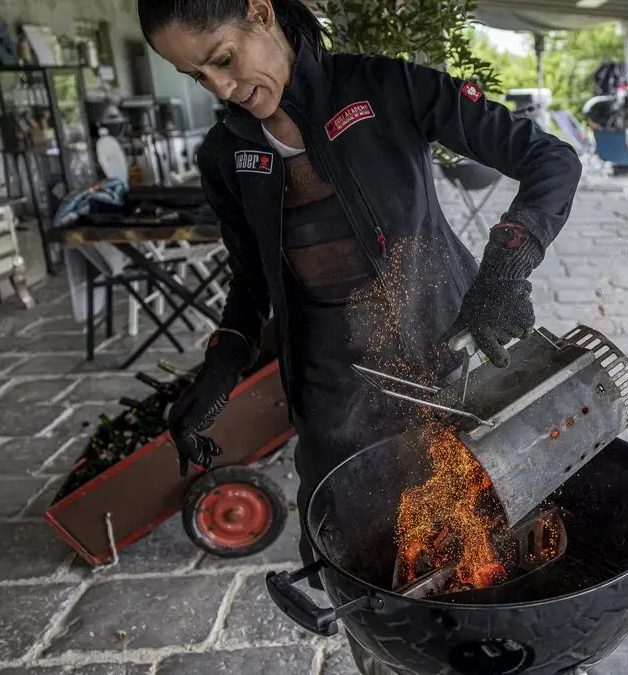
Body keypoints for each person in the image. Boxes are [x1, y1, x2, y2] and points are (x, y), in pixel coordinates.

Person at [137, 0, 581, 672]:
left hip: (453, 364)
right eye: (196, 76)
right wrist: (219, 372)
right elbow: (252, 283)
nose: (221, 89)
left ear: (261, 13)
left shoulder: (386, 87)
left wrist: (506, 272)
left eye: (222, 58)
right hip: (336, 399)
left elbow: (550, 160)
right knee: (380, 581)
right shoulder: (227, 152)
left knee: (496, 547)